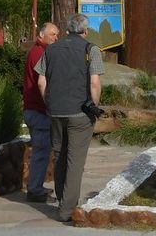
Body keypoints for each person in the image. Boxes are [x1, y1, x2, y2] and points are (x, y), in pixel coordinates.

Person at [35, 14, 104, 222]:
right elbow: (94, 83)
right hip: (79, 113)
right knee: (75, 160)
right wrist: (94, 106)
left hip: (55, 111)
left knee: (59, 156)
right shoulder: (90, 49)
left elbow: (41, 82)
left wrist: (48, 103)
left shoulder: (51, 49)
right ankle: (66, 210)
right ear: (86, 31)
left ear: (67, 30)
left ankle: (62, 199)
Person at [23, 21, 59, 203]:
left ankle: (36, 187)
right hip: (38, 111)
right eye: (53, 34)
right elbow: (42, 82)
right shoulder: (39, 54)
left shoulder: (40, 52)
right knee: (41, 152)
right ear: (41, 36)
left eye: (57, 34)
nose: (56, 38)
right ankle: (35, 190)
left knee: (42, 152)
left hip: (35, 110)